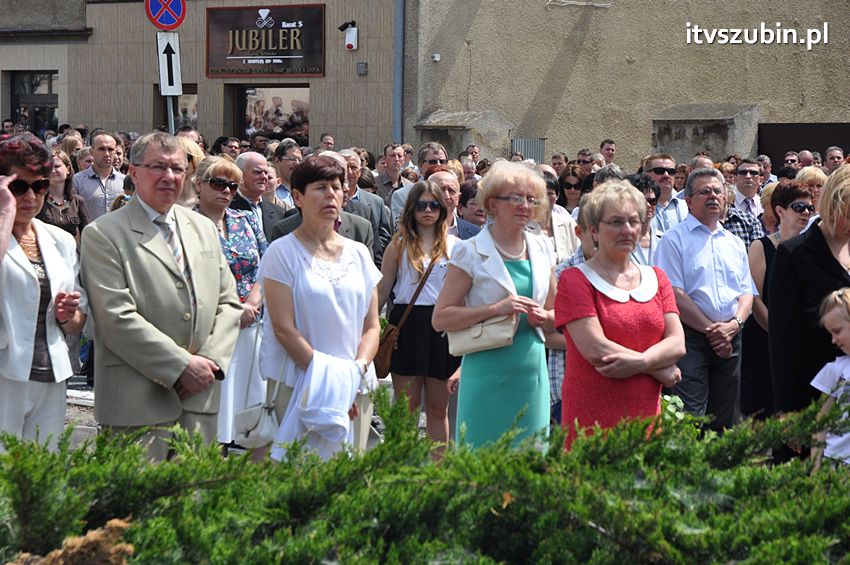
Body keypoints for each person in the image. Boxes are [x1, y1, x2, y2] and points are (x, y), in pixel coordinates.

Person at [80, 132, 243, 461]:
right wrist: (182, 366)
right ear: (134, 172)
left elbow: (228, 304)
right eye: (158, 167)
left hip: (200, 402)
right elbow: (115, 318)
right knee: (135, 511)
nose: (170, 177)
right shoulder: (103, 234)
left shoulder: (203, 227)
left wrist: (209, 362)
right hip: (137, 405)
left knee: (196, 505)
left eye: (178, 169)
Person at [259, 154, 381, 460]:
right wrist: (332, 384)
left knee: (351, 481)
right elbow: (283, 329)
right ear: (297, 197)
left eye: (337, 187)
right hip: (302, 383)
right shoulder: (281, 252)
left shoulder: (358, 254)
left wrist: (353, 375)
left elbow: (372, 326)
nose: (331, 194)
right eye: (321, 187)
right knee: (302, 480)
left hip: (356, 385)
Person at [432, 160, 557, 449]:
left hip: (530, 370)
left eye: (530, 199)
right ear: (492, 203)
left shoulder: (542, 247)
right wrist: (495, 310)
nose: (525, 205)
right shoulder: (469, 251)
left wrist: (545, 317)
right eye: (515, 198)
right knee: (480, 459)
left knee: (529, 462)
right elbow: (441, 318)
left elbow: (556, 311)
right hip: (485, 367)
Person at [555, 181, 684, 449]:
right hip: (592, 418)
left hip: (646, 416)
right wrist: (656, 368)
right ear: (594, 230)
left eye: (633, 221)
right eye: (615, 222)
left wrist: (641, 363)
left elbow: (677, 343)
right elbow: (596, 349)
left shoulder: (657, 278)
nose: (627, 230)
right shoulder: (574, 280)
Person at [0, 133, 87, 450]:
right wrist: (5, 214)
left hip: (51, 371)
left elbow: (77, 321)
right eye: (18, 186)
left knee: (45, 471)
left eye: (39, 186)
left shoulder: (60, 240)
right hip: (5, 372)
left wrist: (68, 315)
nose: (30, 197)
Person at [655, 167, 754, 431]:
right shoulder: (673, 240)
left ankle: (720, 471)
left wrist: (734, 325)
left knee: (726, 418)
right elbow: (674, 294)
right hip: (692, 339)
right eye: (705, 192)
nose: (713, 196)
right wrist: (713, 331)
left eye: (718, 191)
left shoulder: (733, 242)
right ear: (688, 200)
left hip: (732, 337)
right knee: (690, 417)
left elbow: (746, 292)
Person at [192, 156, 268, 449]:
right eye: (218, 183)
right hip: (210, 327)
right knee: (215, 408)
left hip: (252, 324)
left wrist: (252, 301)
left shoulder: (246, 219)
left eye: (232, 185)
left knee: (251, 409)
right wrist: (232, 310)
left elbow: (266, 264)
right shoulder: (186, 223)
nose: (226, 190)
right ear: (199, 184)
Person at [378, 180, 460, 447]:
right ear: (412, 208)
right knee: (406, 409)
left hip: (442, 327)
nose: (428, 211)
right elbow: (381, 292)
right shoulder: (398, 245)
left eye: (434, 205)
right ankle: (400, 469)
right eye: (422, 205)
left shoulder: (456, 246)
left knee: (439, 408)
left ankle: (438, 474)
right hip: (407, 325)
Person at [769, 165, 850, 428]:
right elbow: (783, 339)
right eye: (846, 215)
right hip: (811, 392)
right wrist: (789, 409)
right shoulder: (794, 254)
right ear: (829, 205)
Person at [742, 182, 813, 418]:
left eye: (810, 208)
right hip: (764, 341)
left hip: (800, 342)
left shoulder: (812, 249)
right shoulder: (761, 246)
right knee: (761, 414)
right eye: (799, 206)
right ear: (780, 210)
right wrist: (778, 332)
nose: (806, 212)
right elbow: (754, 297)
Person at [810, 289, 850, 470]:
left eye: (837, 331)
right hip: (837, 464)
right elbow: (820, 425)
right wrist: (815, 471)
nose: (834, 340)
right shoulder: (835, 370)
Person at [37, 149, 90, 242]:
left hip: (72, 254)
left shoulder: (78, 201)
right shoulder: (38, 200)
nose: (53, 170)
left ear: (68, 170)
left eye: (57, 166)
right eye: (49, 167)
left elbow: (87, 235)